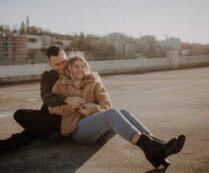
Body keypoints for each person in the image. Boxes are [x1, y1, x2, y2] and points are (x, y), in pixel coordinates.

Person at [48, 55, 186, 169]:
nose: (80, 69)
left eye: (83, 66)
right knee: (113, 113)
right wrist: (71, 106)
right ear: (69, 69)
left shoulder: (93, 81)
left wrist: (92, 109)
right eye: (76, 66)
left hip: (99, 131)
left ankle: (156, 144)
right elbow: (52, 108)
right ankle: (153, 150)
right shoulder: (61, 84)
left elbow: (106, 104)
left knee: (123, 112)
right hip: (78, 131)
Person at [0, 45, 86, 156]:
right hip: (49, 112)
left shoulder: (75, 70)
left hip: (66, 116)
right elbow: (46, 96)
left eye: (63, 62)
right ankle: (50, 134)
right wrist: (67, 99)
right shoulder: (47, 76)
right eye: (57, 64)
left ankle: (9, 144)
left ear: (67, 58)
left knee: (47, 117)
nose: (62, 67)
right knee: (19, 114)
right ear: (50, 64)